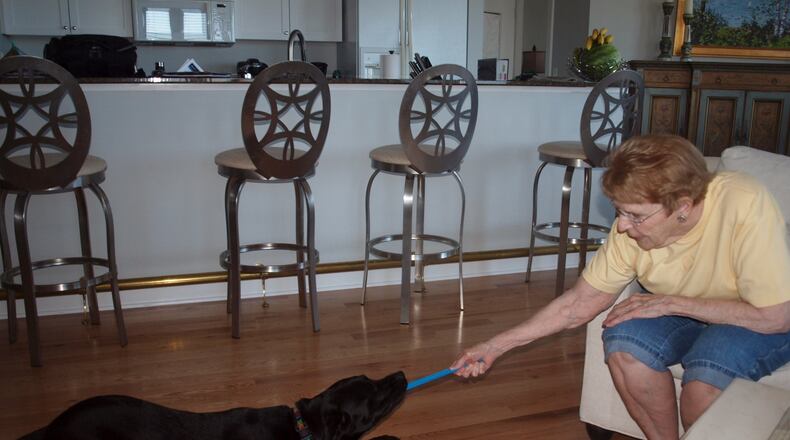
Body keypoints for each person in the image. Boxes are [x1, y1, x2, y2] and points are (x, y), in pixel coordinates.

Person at [452, 134, 790, 439]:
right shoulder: (631, 227)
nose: (623, 226)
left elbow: (776, 316)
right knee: (624, 342)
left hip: (753, 316)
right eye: (619, 212)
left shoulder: (744, 203)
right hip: (682, 309)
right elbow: (579, 303)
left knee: (705, 377)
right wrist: (495, 346)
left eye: (636, 216)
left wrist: (672, 303)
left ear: (683, 207)